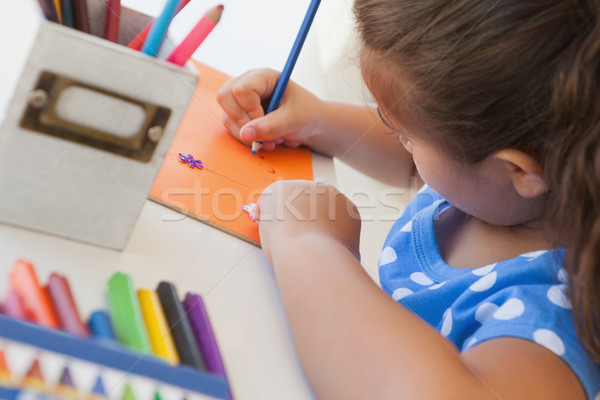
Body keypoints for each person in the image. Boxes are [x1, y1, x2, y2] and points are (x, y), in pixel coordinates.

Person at [216, 0, 600, 398]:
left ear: (519, 171)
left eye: (403, 132)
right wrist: (317, 119)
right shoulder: (500, 185)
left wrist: (311, 246)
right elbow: (423, 164)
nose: (398, 141)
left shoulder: (555, 313)